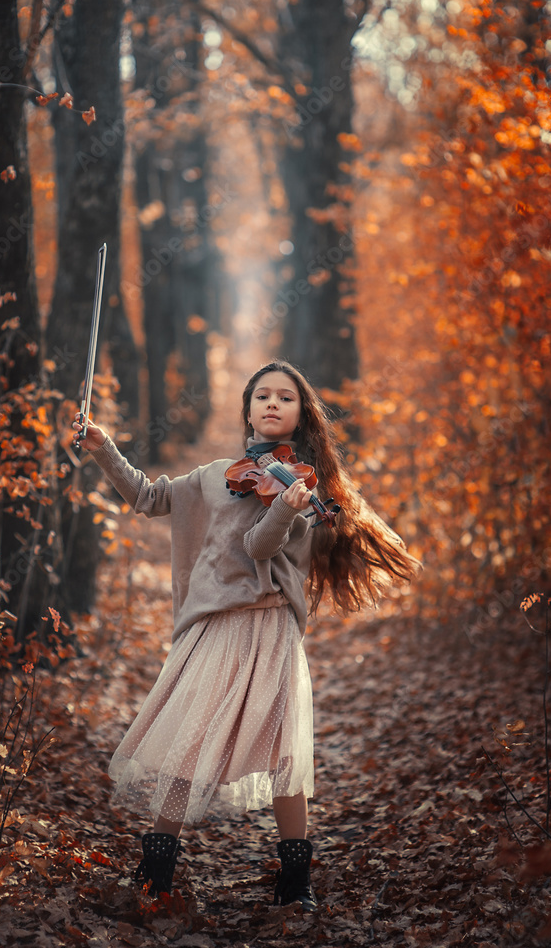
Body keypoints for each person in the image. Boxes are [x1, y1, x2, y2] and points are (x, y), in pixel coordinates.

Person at [72, 359, 421, 910]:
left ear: (302, 414)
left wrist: (286, 508)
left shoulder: (306, 491)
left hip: (270, 625)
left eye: (286, 397)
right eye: (263, 396)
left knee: (285, 751)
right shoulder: (214, 476)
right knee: (193, 740)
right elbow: (145, 497)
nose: (274, 404)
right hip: (215, 626)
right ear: (248, 410)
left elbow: (260, 548)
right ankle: (156, 870)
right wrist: (103, 447)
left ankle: (295, 881)